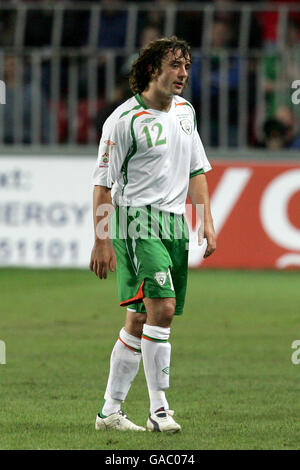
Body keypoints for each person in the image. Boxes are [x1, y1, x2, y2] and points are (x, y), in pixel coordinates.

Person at [90, 36, 216, 433]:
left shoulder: (185, 113)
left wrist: (206, 220)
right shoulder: (123, 121)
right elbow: (103, 184)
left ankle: (110, 412)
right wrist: (101, 238)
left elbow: (196, 170)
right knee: (161, 308)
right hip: (137, 221)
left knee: (140, 318)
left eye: (187, 67)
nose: (183, 74)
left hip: (174, 222)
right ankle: (159, 410)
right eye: (175, 65)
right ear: (151, 70)